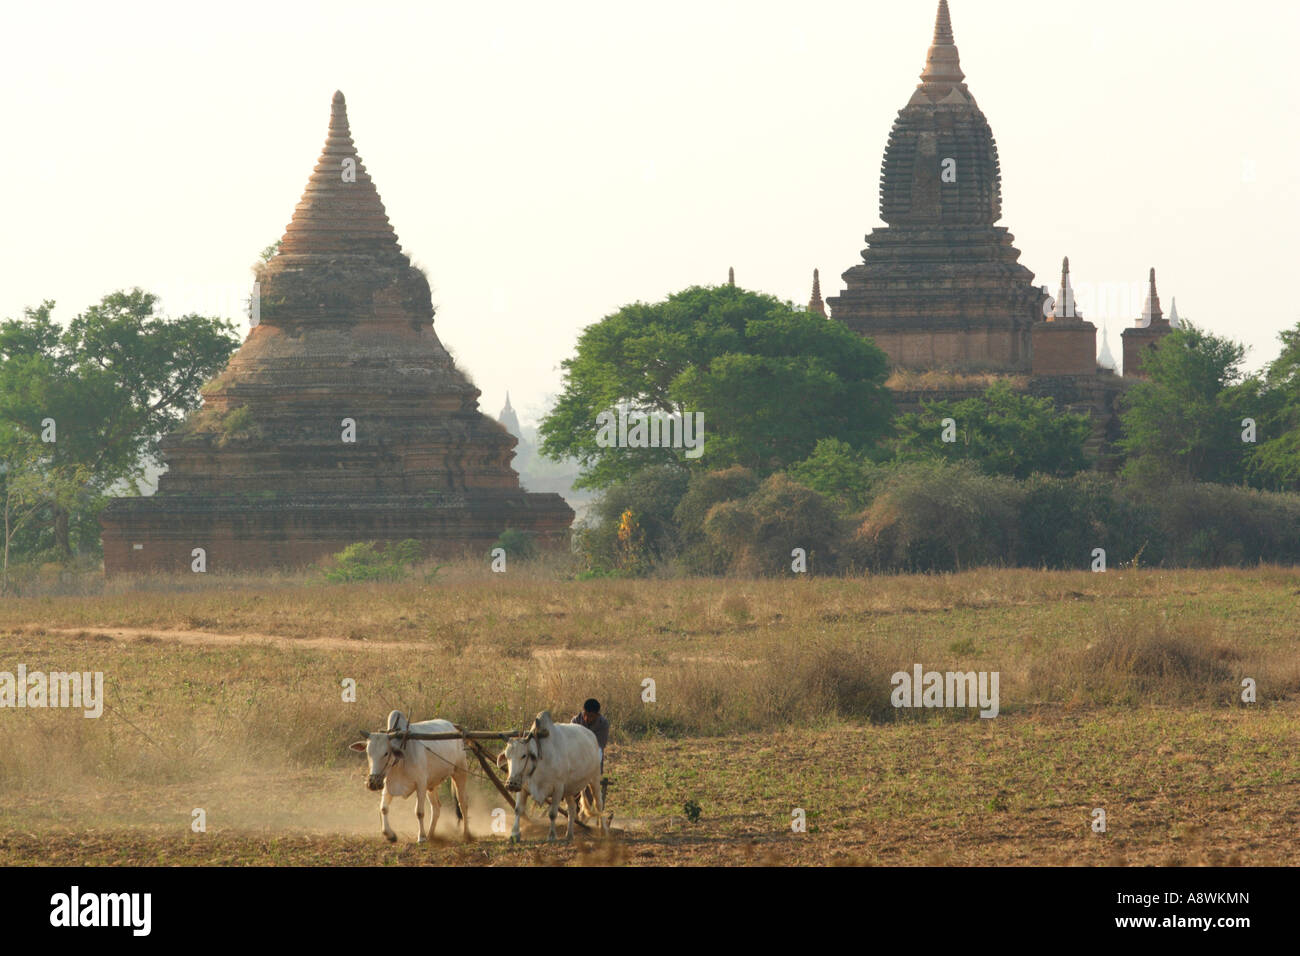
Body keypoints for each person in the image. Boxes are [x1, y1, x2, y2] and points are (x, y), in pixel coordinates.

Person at [571, 698, 609, 771]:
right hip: (577, 755)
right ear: (583, 711)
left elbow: (600, 745)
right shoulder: (575, 721)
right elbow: (571, 742)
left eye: (591, 716)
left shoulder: (603, 724)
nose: (587, 718)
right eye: (586, 714)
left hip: (593, 754)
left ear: (597, 715)